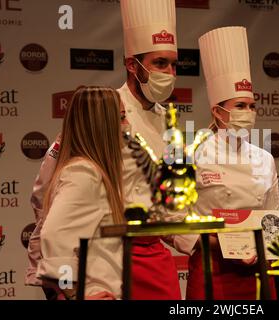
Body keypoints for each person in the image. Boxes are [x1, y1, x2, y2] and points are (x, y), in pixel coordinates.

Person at [26, 0, 182, 300]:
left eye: (174, 64)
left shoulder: (170, 122)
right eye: (160, 63)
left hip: (154, 257)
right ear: (132, 65)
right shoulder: (104, 111)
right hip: (107, 254)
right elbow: (46, 189)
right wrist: (60, 286)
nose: (170, 72)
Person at [180, 26, 279, 300]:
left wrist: (265, 249)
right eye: (240, 106)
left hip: (258, 269)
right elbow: (175, 218)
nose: (248, 113)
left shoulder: (264, 159)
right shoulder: (191, 154)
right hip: (211, 268)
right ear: (217, 111)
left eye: (251, 106)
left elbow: (272, 216)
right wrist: (213, 244)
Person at [36, 86, 125, 300]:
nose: (127, 125)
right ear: (101, 125)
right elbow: (53, 237)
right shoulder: (84, 173)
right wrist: (73, 294)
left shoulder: (92, 171)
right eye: (121, 118)